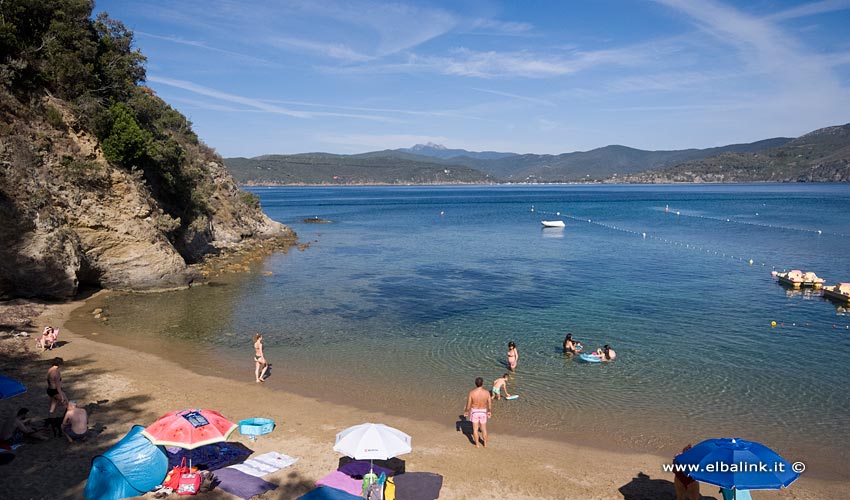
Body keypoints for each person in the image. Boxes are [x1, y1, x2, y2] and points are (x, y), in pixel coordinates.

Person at [463, 377, 491, 448]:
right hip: (483, 411)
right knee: (484, 429)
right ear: (482, 383)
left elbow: (468, 404)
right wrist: (489, 411)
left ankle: (477, 445)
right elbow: (489, 403)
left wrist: (466, 411)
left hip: (475, 411)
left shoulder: (472, 393)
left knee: (475, 429)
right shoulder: (487, 392)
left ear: (475, 383)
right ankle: (485, 444)